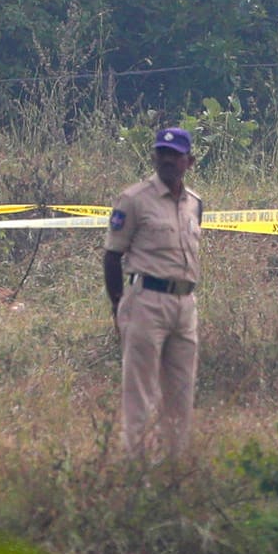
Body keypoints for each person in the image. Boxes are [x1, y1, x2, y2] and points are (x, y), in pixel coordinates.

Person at [103, 127, 203, 457]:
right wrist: (120, 306)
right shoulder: (134, 199)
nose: (168, 160)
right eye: (162, 153)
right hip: (146, 300)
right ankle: (136, 470)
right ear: (154, 156)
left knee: (181, 393)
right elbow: (112, 254)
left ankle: (174, 469)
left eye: (175, 155)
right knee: (140, 392)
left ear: (189, 161)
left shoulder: (194, 204)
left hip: (184, 303)